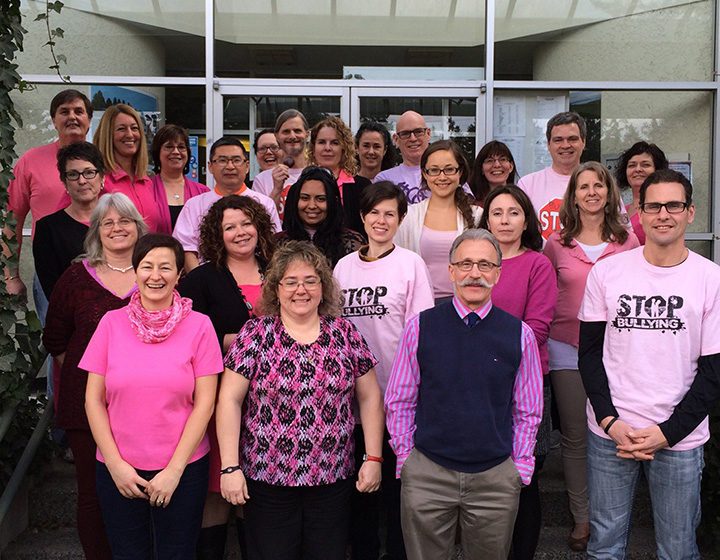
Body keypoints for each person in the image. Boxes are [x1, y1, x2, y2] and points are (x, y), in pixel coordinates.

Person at [578, 169, 720, 559]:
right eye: (653, 205)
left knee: (677, 550)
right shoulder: (607, 272)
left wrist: (668, 433)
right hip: (611, 433)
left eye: (674, 205)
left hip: (679, 438)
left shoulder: (711, 279)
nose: (663, 214)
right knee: (604, 547)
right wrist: (610, 421)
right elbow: (589, 355)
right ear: (638, 212)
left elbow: (713, 373)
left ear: (690, 212)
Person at [216, 240, 385, 560]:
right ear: (276, 288)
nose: (301, 290)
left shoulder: (344, 333)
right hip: (267, 482)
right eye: (291, 282)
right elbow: (229, 401)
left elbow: (370, 397)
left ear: (324, 287)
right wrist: (229, 467)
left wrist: (373, 458)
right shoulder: (255, 334)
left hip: (332, 480)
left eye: (310, 281)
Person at [385, 228, 543, 560]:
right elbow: (400, 400)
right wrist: (407, 460)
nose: (475, 273)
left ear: (498, 273)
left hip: (495, 477)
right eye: (466, 263)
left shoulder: (519, 334)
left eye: (485, 265)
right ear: (451, 270)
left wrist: (520, 467)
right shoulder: (420, 327)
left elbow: (527, 411)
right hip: (428, 473)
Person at [81, 233, 222, 559]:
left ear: (178, 275)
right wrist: (115, 465)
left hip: (183, 468)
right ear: (135, 272)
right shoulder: (110, 324)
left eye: (165, 268)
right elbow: (93, 400)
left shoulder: (200, 327)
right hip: (119, 470)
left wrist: (174, 471)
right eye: (146, 267)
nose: (155, 276)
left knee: (178, 554)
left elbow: (205, 404)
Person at [43, 192, 148, 560]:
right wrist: (90, 377)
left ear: (138, 226)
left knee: (141, 491)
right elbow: (55, 338)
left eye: (124, 220)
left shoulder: (154, 272)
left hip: (146, 409)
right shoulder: (75, 276)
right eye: (108, 222)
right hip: (85, 406)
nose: (117, 228)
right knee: (92, 494)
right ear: (96, 231)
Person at [334, 182, 434, 560]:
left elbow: (419, 334)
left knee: (396, 494)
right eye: (374, 212)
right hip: (348, 402)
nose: (381, 220)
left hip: (397, 400)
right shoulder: (343, 267)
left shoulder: (410, 265)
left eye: (389, 213)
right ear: (362, 217)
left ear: (401, 219)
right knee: (357, 493)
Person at [543, 161, 639, 551]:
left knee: (615, 432)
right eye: (584, 186)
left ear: (609, 192)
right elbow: (546, 295)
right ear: (574, 195)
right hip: (567, 347)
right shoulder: (556, 244)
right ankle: (582, 519)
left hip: (618, 352)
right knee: (576, 437)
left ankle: (611, 519)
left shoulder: (630, 241)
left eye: (599, 185)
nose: (592, 192)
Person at [178, 195, 276, 560]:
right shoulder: (201, 278)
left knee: (257, 495)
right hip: (221, 399)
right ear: (217, 235)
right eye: (229, 227)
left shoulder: (279, 269)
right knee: (218, 491)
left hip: (274, 403)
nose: (240, 232)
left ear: (260, 227)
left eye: (246, 223)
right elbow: (187, 336)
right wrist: (232, 338)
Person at [478, 185, 557, 559]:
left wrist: (491, 357)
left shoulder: (538, 264)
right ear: (486, 219)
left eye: (513, 212)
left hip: (526, 383)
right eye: (497, 212)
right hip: (478, 387)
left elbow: (538, 328)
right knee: (486, 476)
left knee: (525, 479)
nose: (505, 220)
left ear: (527, 219)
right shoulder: (475, 263)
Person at [6, 89, 92, 299]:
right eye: (64, 111)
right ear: (54, 120)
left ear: (89, 119)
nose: (72, 117)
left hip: (103, 268)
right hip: (50, 268)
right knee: (54, 331)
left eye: (78, 111)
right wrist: (11, 277)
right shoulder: (30, 161)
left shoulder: (101, 161)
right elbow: (12, 221)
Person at [173, 137, 280, 271]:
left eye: (236, 160)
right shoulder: (194, 205)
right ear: (210, 166)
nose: (230, 166)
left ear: (247, 166)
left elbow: (271, 247)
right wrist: (202, 282)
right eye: (222, 160)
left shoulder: (264, 203)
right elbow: (187, 249)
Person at [394, 140, 482, 302]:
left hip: (467, 306)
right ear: (424, 174)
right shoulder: (409, 217)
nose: (442, 177)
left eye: (449, 169)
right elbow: (397, 268)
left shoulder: (478, 216)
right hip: (420, 306)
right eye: (434, 170)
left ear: (460, 172)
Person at [33, 141, 104, 299]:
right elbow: (53, 291)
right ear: (64, 182)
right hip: (71, 317)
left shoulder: (119, 223)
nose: (82, 181)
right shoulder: (48, 229)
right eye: (73, 174)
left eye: (89, 172)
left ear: (102, 177)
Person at [93, 103, 163, 233]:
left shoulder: (146, 181)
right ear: (108, 135)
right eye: (121, 129)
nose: (130, 135)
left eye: (134, 128)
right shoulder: (95, 180)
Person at [518, 111, 587, 240]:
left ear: (583, 142)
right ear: (548, 144)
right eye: (558, 140)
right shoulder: (527, 184)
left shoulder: (601, 185)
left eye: (572, 139)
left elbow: (620, 231)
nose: (565, 145)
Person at [278, 166, 364, 267]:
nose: (312, 206)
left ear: (333, 202)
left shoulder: (352, 241)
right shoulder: (278, 243)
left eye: (321, 199)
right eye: (305, 198)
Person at [305, 115, 371, 232]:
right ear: (313, 148)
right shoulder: (302, 185)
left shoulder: (363, 187)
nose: (327, 148)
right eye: (321, 142)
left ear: (344, 148)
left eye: (335, 143)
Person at [150, 124, 209, 234]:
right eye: (169, 147)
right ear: (157, 152)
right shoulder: (146, 190)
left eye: (181, 147)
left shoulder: (203, 193)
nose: (176, 152)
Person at [251, 109, 310, 208]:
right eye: (286, 132)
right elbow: (259, 221)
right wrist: (277, 190)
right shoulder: (262, 180)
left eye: (297, 131)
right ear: (276, 136)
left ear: (307, 134)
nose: (292, 136)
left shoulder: (320, 172)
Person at [614, 141, 669, 245]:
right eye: (632, 165)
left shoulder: (664, 209)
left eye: (646, 165)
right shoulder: (621, 210)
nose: (638, 169)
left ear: (657, 170)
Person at [374, 111, 431, 203]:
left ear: (428, 134)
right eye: (405, 134)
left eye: (418, 132)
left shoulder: (448, 174)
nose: (413, 138)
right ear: (396, 139)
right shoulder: (384, 179)